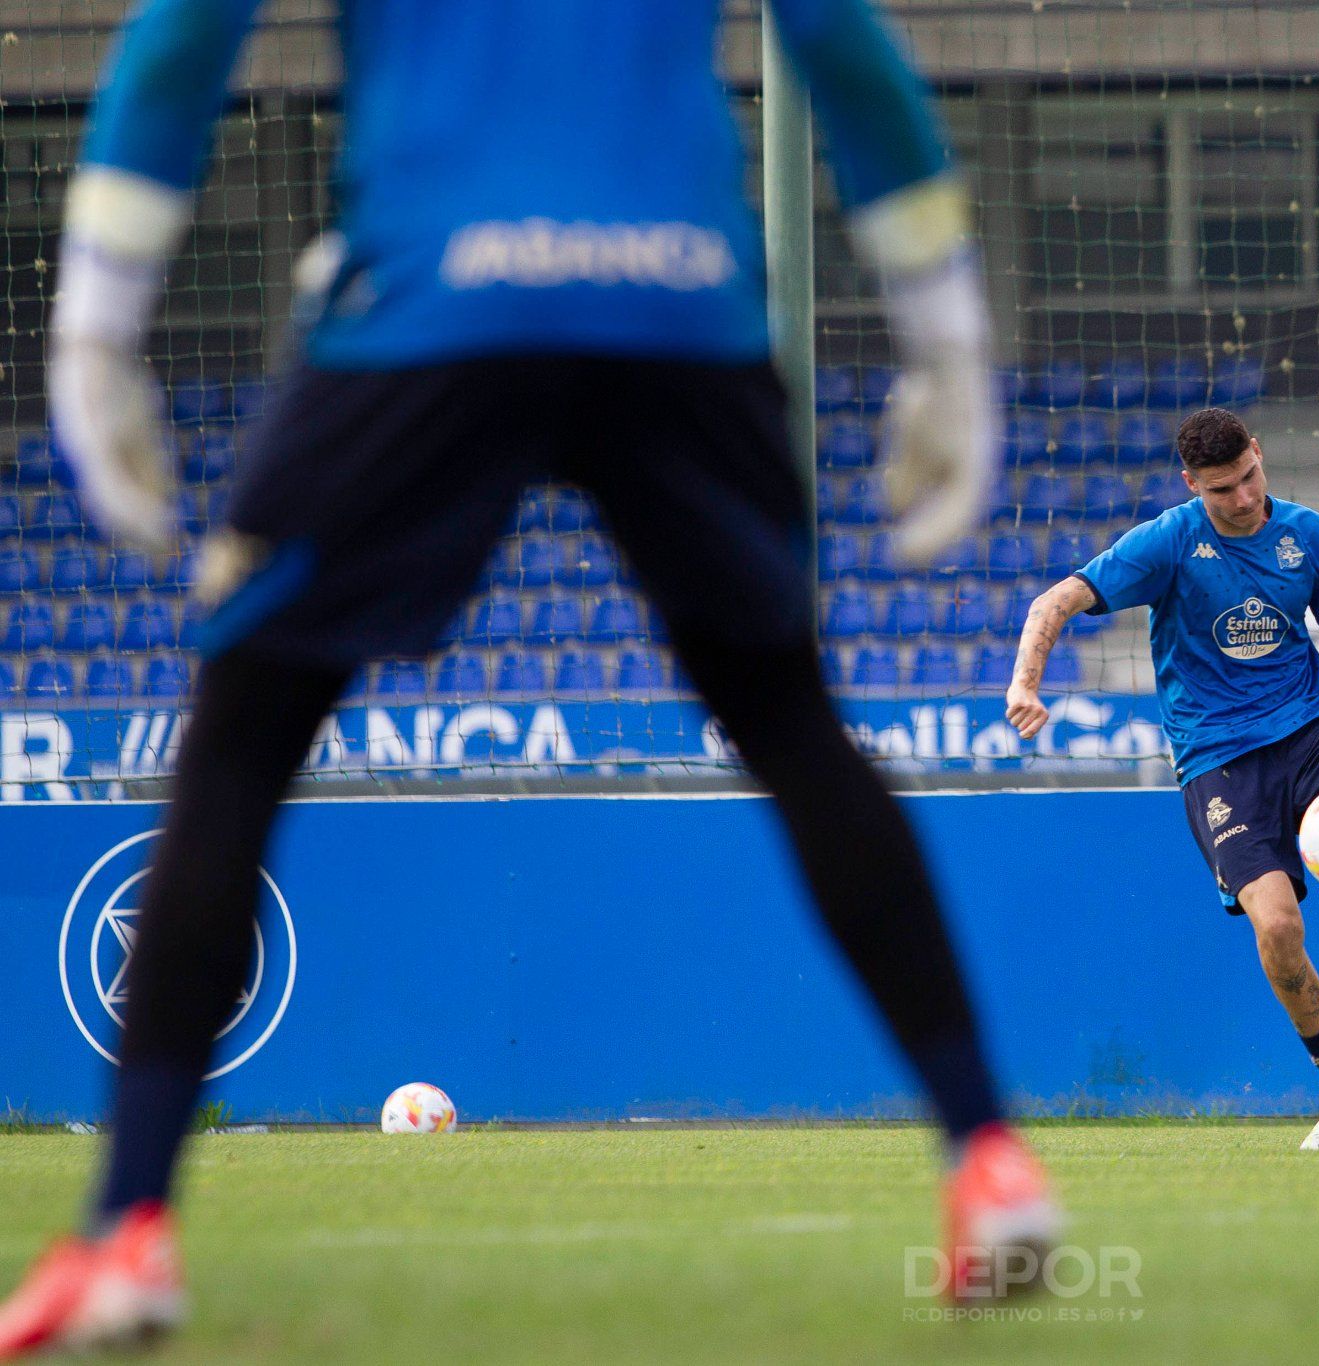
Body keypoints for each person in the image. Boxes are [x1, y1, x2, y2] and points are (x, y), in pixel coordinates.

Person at [0, 0, 1059, 1353]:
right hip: (677, 306)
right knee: (794, 726)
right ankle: (990, 1159)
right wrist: (949, 338)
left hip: (436, 299)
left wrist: (94, 330)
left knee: (242, 740)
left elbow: (183, 36)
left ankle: (127, 1232)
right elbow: (841, 38)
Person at [1005, 407, 1319, 1152]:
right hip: (1216, 761)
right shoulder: (1167, 543)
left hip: (1304, 727)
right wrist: (1026, 684)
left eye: (1251, 476)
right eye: (1223, 489)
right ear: (1193, 483)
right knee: (1279, 927)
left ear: (1260, 453)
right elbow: (1054, 600)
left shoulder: (1310, 536)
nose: (1244, 498)